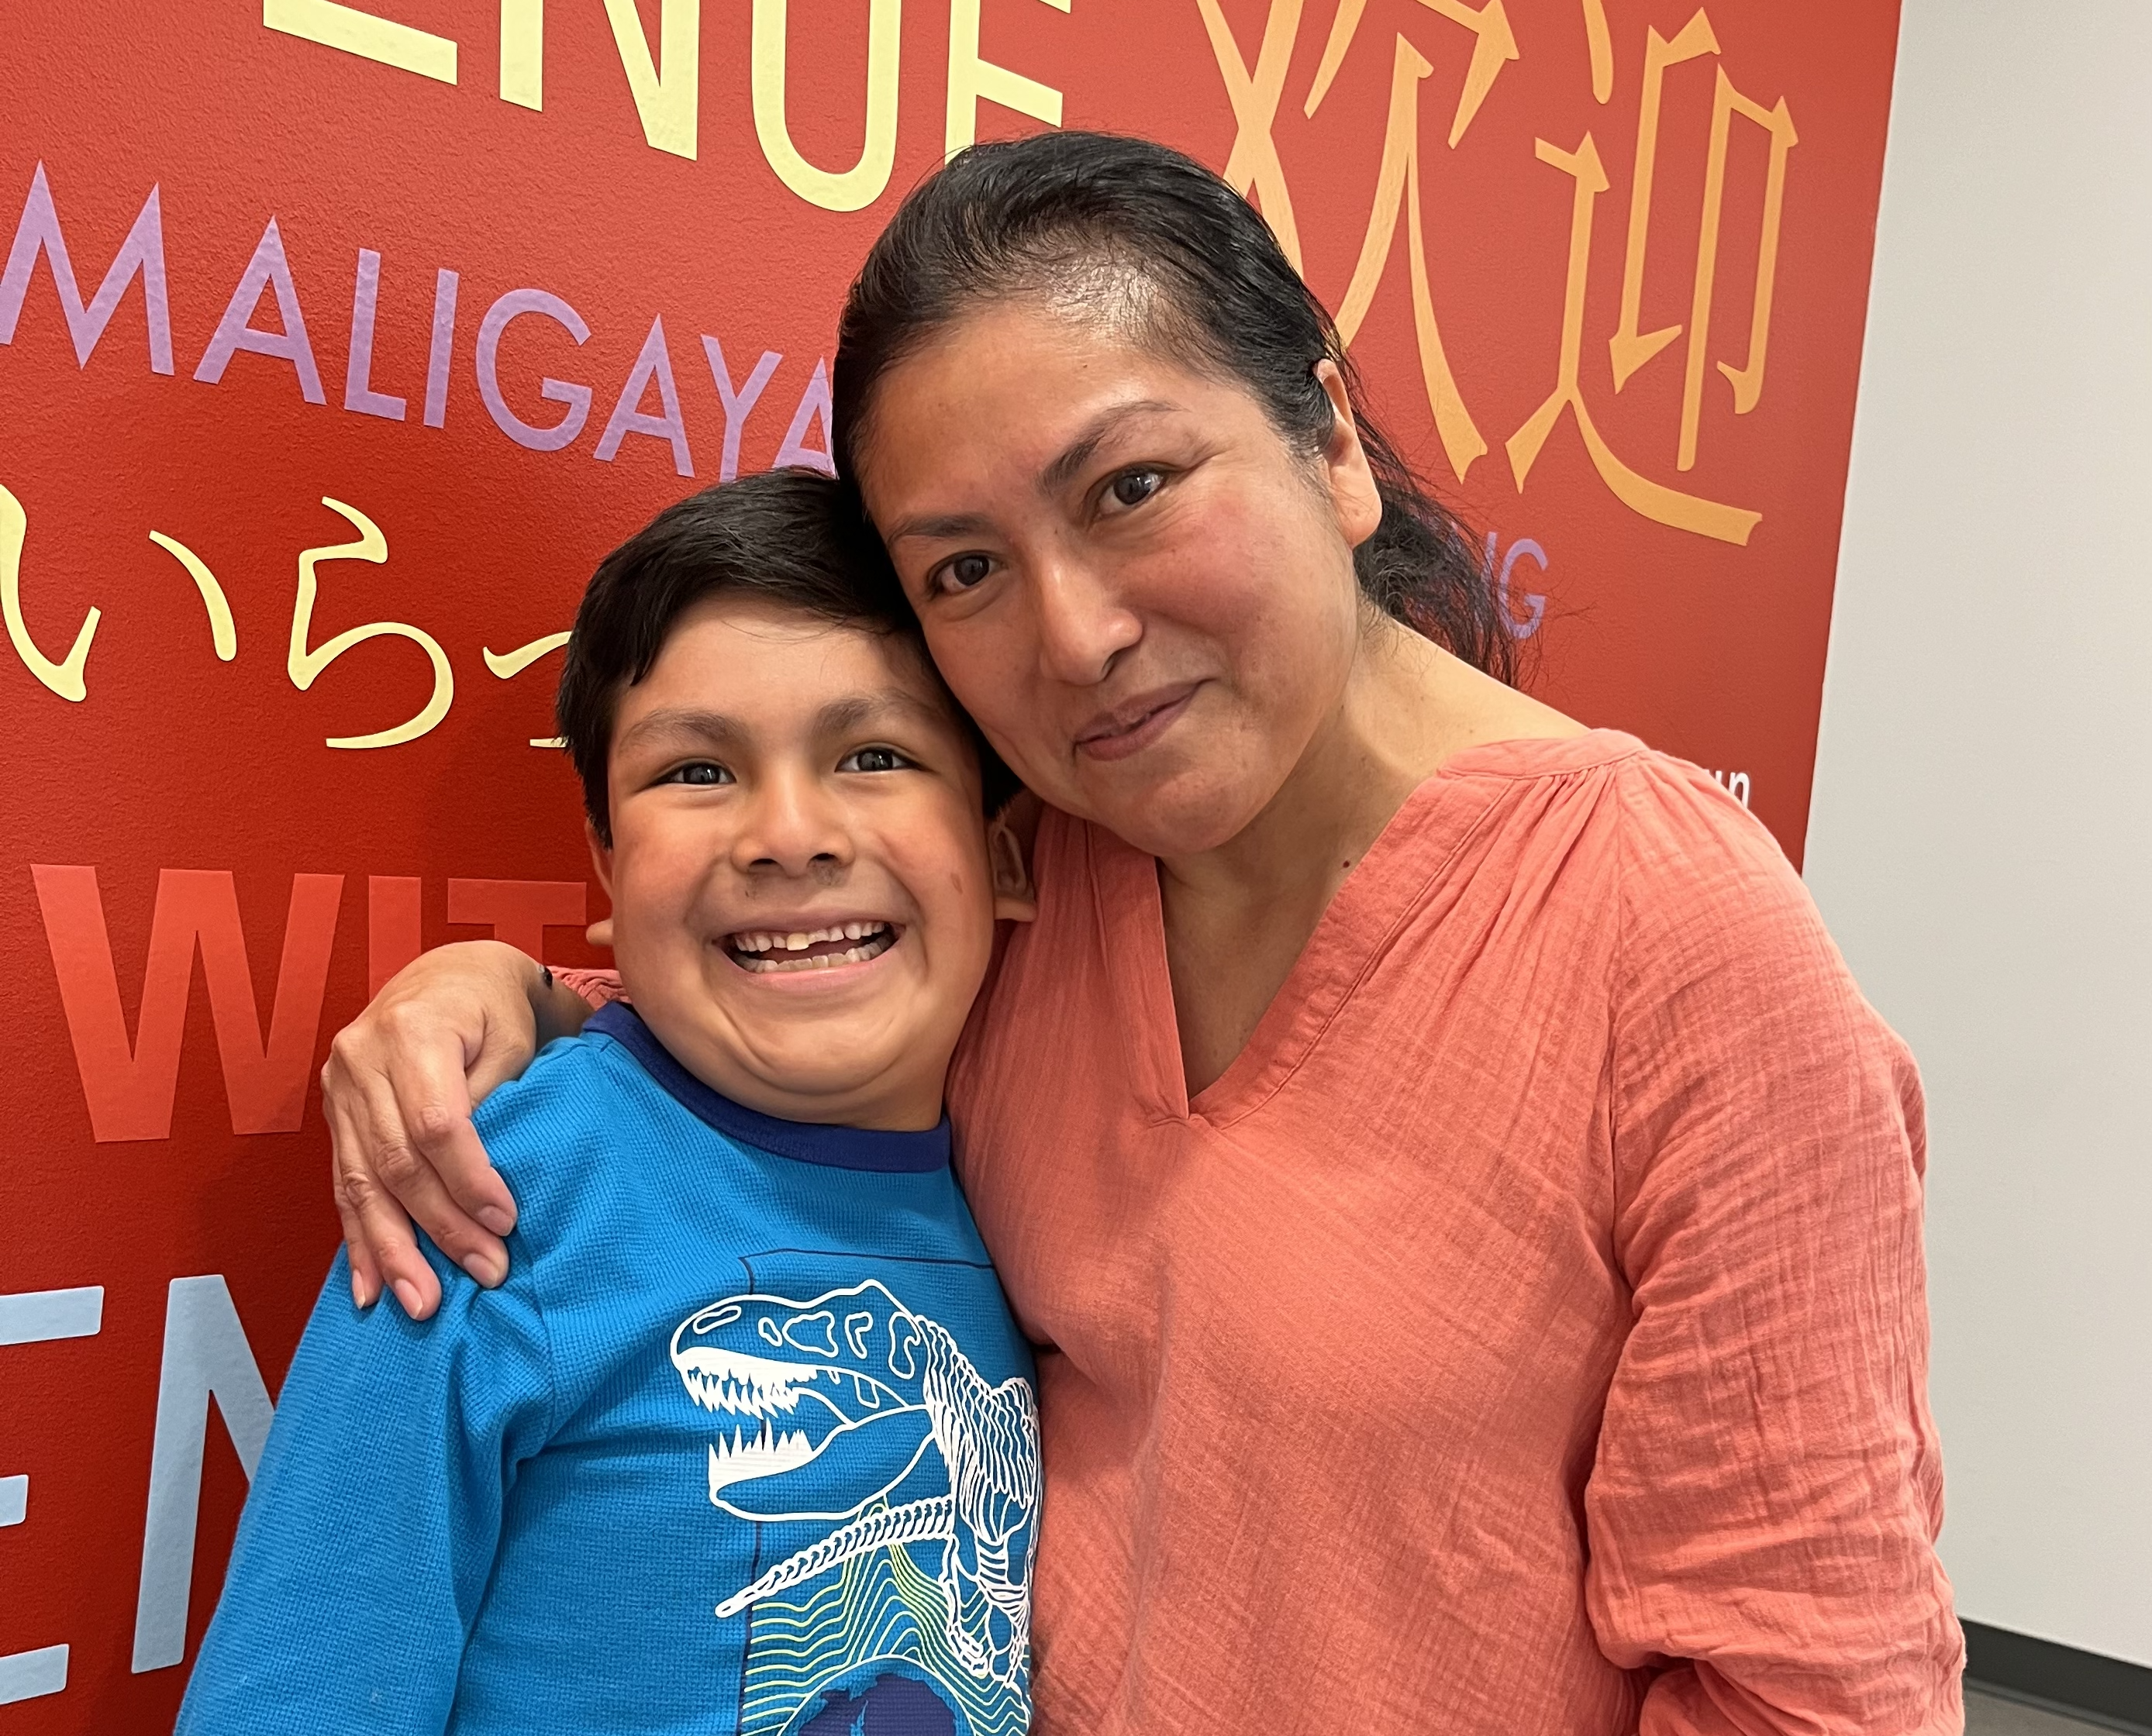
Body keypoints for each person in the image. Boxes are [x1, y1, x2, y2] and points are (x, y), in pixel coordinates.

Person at [319, 134, 1964, 1734]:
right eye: (963, 568)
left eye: (1130, 488)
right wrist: (514, 999)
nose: (1076, 635)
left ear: (1323, 434)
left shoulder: (1671, 937)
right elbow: (803, 994)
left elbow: (1811, 1686)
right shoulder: (1054, 872)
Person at [178, 470, 1043, 1736]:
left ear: (1005, 851)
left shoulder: (1036, 1171)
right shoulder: (500, 1184)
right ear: (605, 866)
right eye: (696, 772)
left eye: (877, 755)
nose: (788, 833)